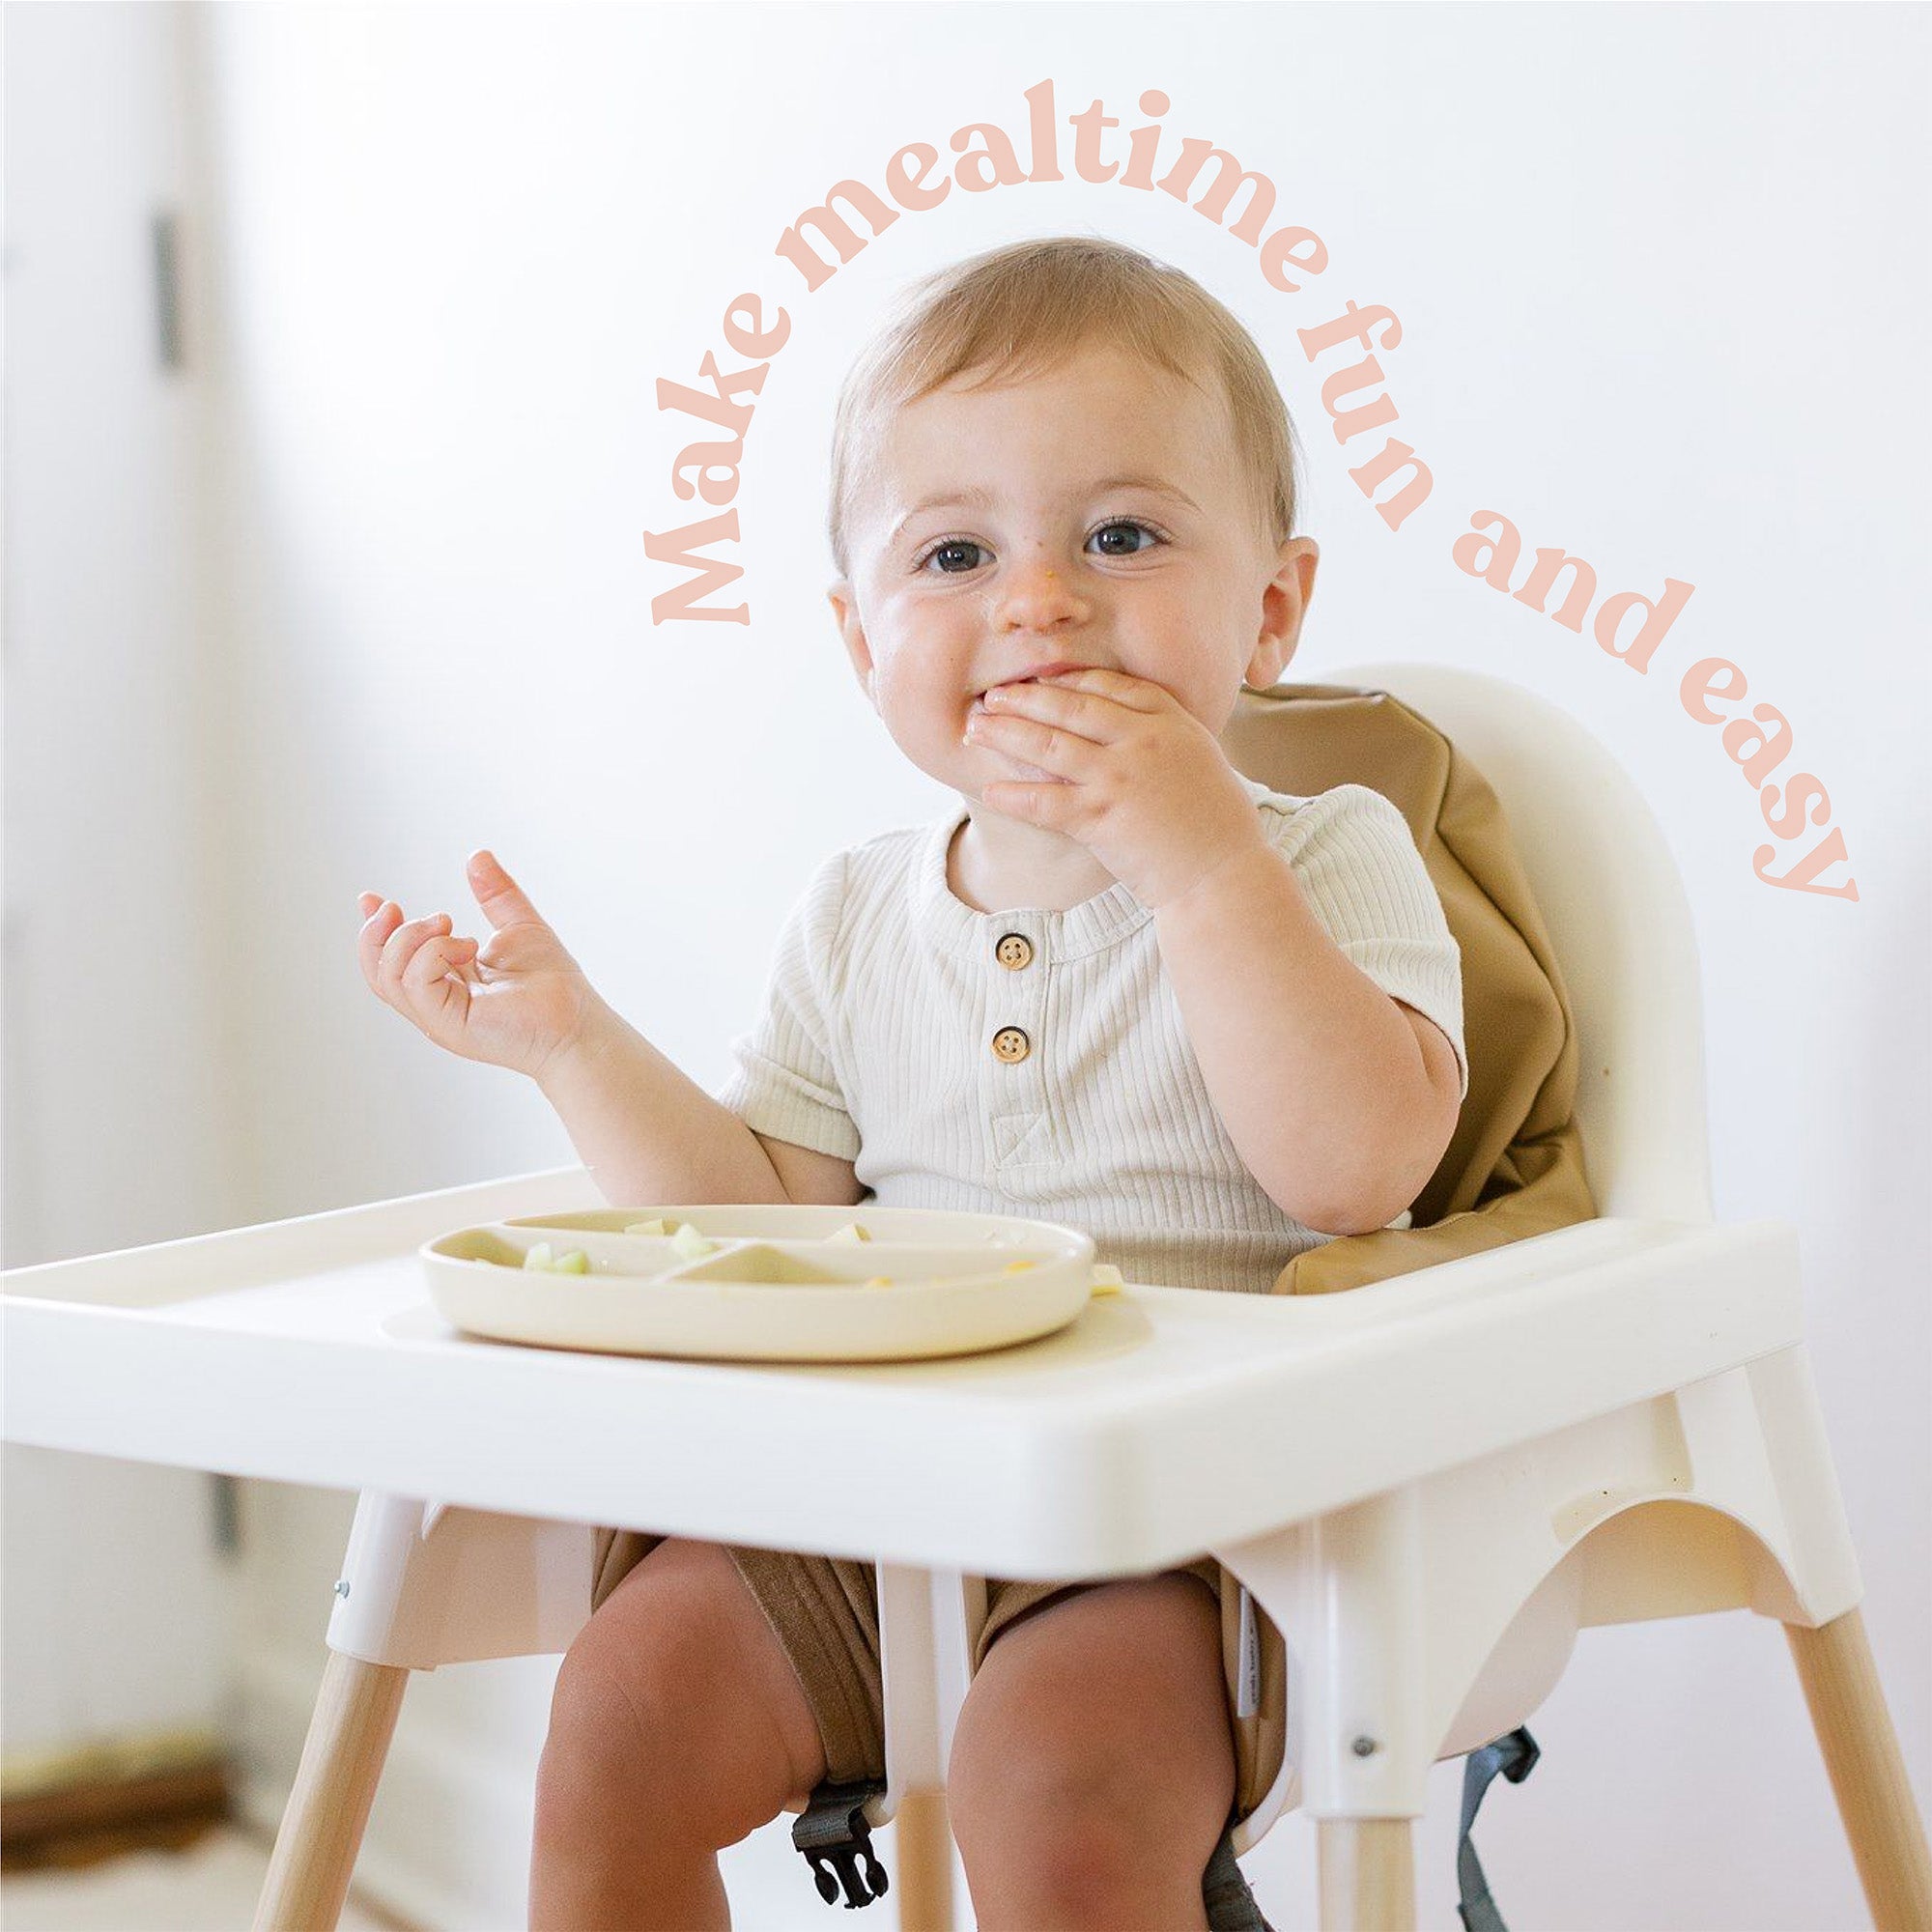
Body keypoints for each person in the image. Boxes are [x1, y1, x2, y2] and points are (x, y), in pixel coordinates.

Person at [355, 234, 1466, 1932]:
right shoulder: (863, 913)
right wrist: (571, 1044)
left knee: (1056, 1801)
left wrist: (1197, 865)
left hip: (1170, 1523)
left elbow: (1357, 1170)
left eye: (1121, 535)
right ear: (861, 636)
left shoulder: (1326, 858)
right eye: (955, 552)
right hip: (873, 1490)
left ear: (1272, 608)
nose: (1039, 599)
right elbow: (760, 1234)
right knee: (615, 1724)